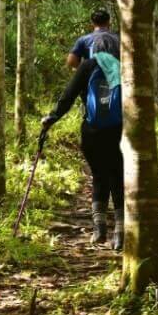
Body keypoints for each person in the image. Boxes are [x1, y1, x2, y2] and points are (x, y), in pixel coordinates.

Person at [42, 32, 124, 248]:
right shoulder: (124, 66)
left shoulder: (87, 66)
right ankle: (121, 233)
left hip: (92, 130)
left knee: (99, 175)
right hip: (119, 130)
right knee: (117, 175)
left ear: (92, 50)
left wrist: (52, 117)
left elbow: (67, 97)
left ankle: (99, 229)